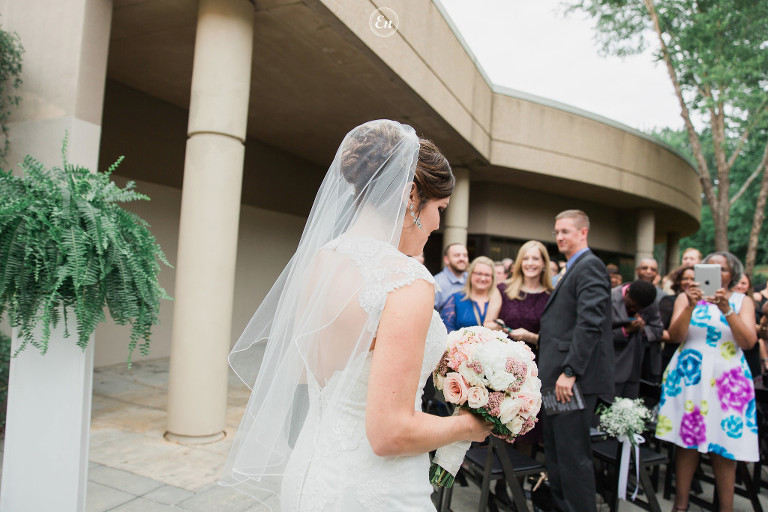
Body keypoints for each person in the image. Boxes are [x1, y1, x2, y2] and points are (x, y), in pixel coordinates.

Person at [220, 120, 492, 511]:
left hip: (310, 473)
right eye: (439, 209)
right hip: (374, 489)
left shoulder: (322, 260)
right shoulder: (408, 280)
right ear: (410, 195)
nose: (437, 224)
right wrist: (470, 425)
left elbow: (307, 372)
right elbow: (390, 433)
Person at [656, 251, 758, 512]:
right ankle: (680, 507)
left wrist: (727, 309)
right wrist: (690, 306)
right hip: (690, 379)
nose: (716, 273)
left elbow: (748, 342)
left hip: (728, 383)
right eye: (710, 267)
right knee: (687, 443)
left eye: (722, 269)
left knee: (724, 446)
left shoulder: (742, 301)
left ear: (732, 275)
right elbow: (676, 336)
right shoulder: (685, 297)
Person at [538, 209, 614, 512]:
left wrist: (570, 372)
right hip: (556, 378)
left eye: (565, 231)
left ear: (583, 233)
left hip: (571, 382)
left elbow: (589, 324)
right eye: (556, 232)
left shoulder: (590, 266)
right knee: (556, 454)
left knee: (572, 458)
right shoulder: (572, 267)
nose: (559, 237)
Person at [494, 240, 553, 452]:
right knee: (501, 421)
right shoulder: (504, 289)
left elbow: (555, 337)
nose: (530, 263)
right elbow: (489, 322)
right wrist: (502, 330)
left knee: (527, 426)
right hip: (506, 367)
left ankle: (521, 471)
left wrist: (530, 336)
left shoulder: (552, 295)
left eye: (535, 258)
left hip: (536, 368)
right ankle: (498, 472)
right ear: (519, 262)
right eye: (526, 258)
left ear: (544, 263)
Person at [611, 280, 663, 399]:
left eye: (639, 309)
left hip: (635, 368)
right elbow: (600, 335)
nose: (634, 310)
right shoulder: (610, 298)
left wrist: (643, 329)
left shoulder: (650, 301)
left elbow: (658, 330)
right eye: (631, 306)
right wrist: (626, 330)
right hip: (611, 365)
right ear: (627, 292)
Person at [439, 256, 502, 332]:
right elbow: (445, 328)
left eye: (487, 275)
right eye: (479, 274)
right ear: (470, 274)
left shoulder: (499, 299)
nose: (483, 278)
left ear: (492, 277)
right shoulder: (456, 299)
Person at [659, 265, 695, 371]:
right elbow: (658, 329)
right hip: (673, 353)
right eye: (685, 278)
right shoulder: (668, 301)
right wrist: (675, 335)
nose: (689, 282)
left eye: (693, 279)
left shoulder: (704, 304)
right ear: (678, 281)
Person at [433, 243, 469, 314]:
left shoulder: (472, 279)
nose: (462, 259)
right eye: (457, 255)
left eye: (465, 255)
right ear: (446, 259)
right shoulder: (437, 283)